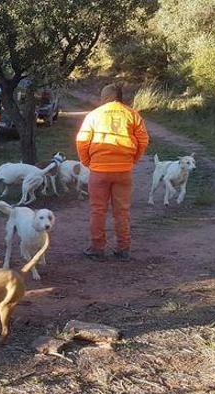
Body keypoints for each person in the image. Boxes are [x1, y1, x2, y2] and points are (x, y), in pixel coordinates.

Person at [75, 83, 149, 262]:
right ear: (120, 97)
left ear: (104, 96)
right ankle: (123, 249)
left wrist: (88, 162)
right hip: (124, 170)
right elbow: (143, 140)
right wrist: (133, 160)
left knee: (97, 210)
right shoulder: (132, 114)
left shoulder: (94, 115)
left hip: (99, 171)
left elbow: (82, 141)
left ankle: (96, 248)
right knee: (122, 211)